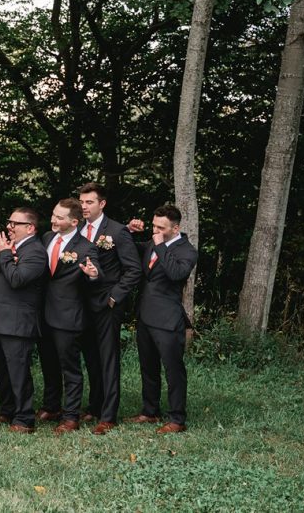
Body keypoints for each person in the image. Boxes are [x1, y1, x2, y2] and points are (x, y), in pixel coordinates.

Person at [77, 182, 142, 435]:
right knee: (91, 357)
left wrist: (115, 297)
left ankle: (108, 415)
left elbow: (133, 270)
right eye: (81, 202)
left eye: (89, 202)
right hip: (82, 303)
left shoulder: (116, 231)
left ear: (102, 204)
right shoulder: (78, 230)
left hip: (107, 304)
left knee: (108, 359)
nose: (84, 206)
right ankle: (94, 406)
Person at [127, 205, 198, 434]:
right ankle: (150, 411)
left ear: (175, 228)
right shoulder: (151, 243)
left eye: (161, 227)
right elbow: (128, 250)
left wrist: (159, 245)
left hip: (168, 319)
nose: (155, 230)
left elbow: (176, 274)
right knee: (148, 367)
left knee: (173, 370)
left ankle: (177, 418)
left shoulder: (187, 250)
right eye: (154, 225)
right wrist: (128, 231)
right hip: (145, 316)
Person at [40, 198, 101, 435]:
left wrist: (93, 274)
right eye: (54, 215)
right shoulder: (47, 238)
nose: (54, 220)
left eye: (59, 217)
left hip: (68, 316)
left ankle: (71, 416)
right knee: (48, 364)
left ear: (74, 222)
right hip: (43, 313)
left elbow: (95, 270)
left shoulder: (86, 246)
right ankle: (51, 406)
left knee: (70, 369)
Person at [0, 207, 48, 434]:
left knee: (19, 372)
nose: (9, 227)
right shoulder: (12, 248)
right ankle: (8, 410)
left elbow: (17, 279)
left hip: (18, 322)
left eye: (15, 224)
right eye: (9, 222)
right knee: (3, 370)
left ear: (30, 228)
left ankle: (24, 418)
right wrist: (2, 254)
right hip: (1, 320)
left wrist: (3, 254)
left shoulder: (36, 252)